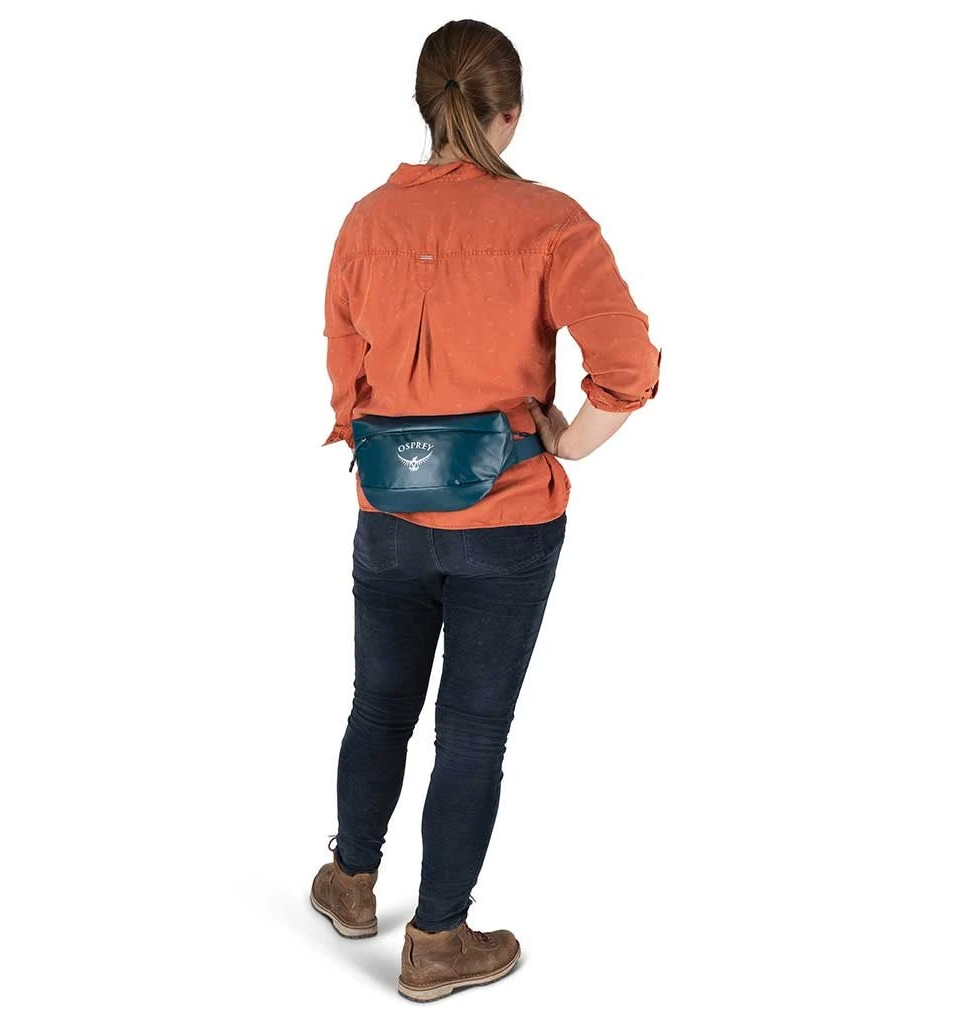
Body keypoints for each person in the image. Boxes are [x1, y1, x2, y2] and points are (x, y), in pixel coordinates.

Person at [310, 18, 662, 1002]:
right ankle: (436, 941)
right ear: (511, 114)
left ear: (425, 108)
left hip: (388, 513)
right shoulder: (551, 221)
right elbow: (627, 366)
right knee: (471, 730)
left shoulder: (365, 221)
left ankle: (349, 883)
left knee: (377, 705)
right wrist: (567, 441)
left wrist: (388, 452)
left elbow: (346, 378)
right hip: (508, 520)